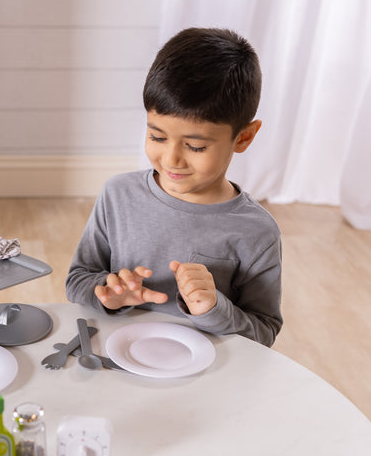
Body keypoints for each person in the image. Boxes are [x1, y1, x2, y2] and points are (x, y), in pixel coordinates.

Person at [66, 27, 282, 347]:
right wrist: (109, 295)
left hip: (205, 374)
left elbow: (264, 331)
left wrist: (214, 308)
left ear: (244, 137)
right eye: (157, 137)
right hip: (117, 357)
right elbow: (78, 279)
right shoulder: (118, 195)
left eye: (195, 146)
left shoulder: (256, 231)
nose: (171, 159)